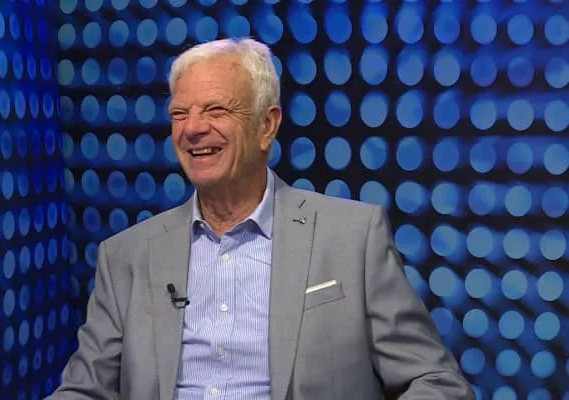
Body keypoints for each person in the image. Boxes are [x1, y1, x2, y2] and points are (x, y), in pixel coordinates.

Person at [47, 38, 474, 399]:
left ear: (267, 126)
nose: (192, 128)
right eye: (179, 114)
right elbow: (83, 391)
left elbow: (436, 382)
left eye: (216, 110)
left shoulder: (353, 238)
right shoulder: (126, 256)